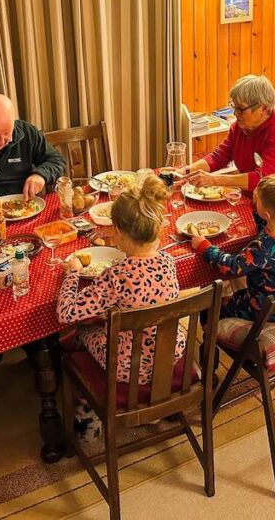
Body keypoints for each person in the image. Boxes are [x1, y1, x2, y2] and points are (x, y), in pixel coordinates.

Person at [56, 175, 184, 441]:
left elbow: (65, 312)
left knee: (76, 334)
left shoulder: (117, 275)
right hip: (169, 352)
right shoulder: (169, 261)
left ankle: (88, 421)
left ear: (122, 234)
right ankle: (161, 402)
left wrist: (72, 274)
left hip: (129, 366)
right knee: (105, 323)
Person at [191, 174, 275, 322]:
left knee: (210, 307)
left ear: (267, 214)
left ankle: (210, 342)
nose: (255, 200)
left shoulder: (263, 246)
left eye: (258, 200)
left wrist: (205, 247)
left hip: (262, 309)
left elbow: (232, 266)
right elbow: (265, 221)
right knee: (232, 295)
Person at [185, 74, 275, 195]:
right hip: (254, 197)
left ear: (264, 108)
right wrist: (185, 172)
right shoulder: (241, 126)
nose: (235, 113)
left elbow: (263, 179)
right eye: (234, 106)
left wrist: (214, 180)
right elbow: (219, 157)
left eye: (241, 108)